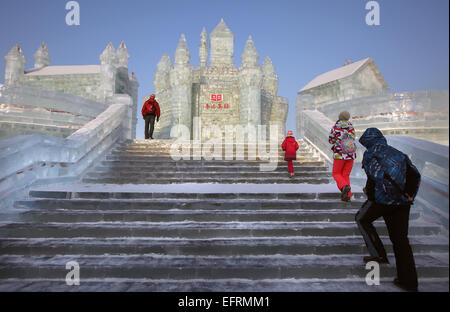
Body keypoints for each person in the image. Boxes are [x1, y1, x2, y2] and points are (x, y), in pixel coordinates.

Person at [356, 127, 420, 292]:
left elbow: (373, 178)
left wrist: (370, 196)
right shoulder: (398, 153)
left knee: (361, 219)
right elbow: (414, 174)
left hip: (382, 200)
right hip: (402, 202)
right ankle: (409, 282)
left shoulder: (371, 154)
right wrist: (409, 193)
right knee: (401, 241)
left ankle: (379, 254)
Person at [328, 111, 357, 201]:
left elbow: (331, 140)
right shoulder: (351, 127)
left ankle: (344, 187)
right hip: (350, 153)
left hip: (340, 154)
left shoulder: (336, 127)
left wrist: (337, 140)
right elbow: (353, 138)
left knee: (336, 173)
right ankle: (347, 196)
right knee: (346, 175)